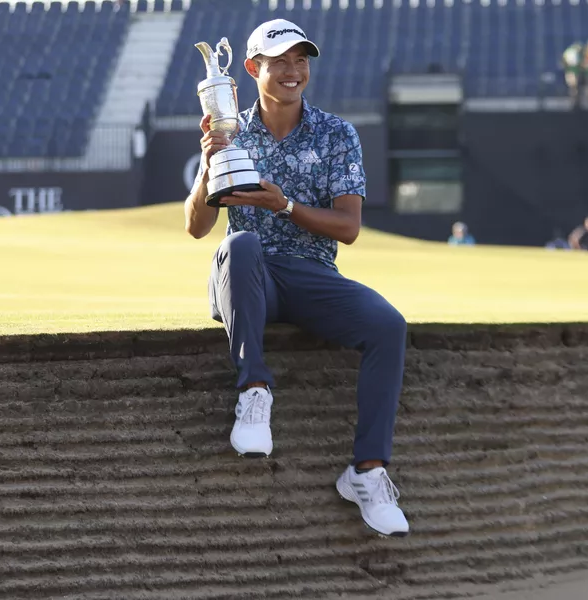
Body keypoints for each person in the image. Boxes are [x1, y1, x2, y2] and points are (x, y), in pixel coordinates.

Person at [183, 19, 409, 537]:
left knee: (388, 325)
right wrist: (205, 164)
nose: (293, 71)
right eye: (280, 61)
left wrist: (282, 203)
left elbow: (348, 228)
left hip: (310, 276)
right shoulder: (228, 129)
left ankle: (367, 472)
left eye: (301, 60)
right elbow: (197, 228)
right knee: (239, 243)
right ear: (252, 69)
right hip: (247, 277)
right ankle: (254, 392)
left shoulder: (336, 134)